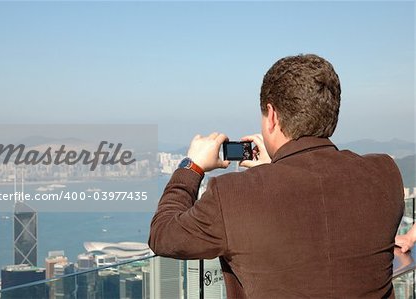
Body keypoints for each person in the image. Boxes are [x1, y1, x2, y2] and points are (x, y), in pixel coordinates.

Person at [149, 54, 404, 298]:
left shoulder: (232, 195)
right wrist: (275, 169)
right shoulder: (384, 174)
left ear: (272, 116)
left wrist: (191, 166)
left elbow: (163, 235)